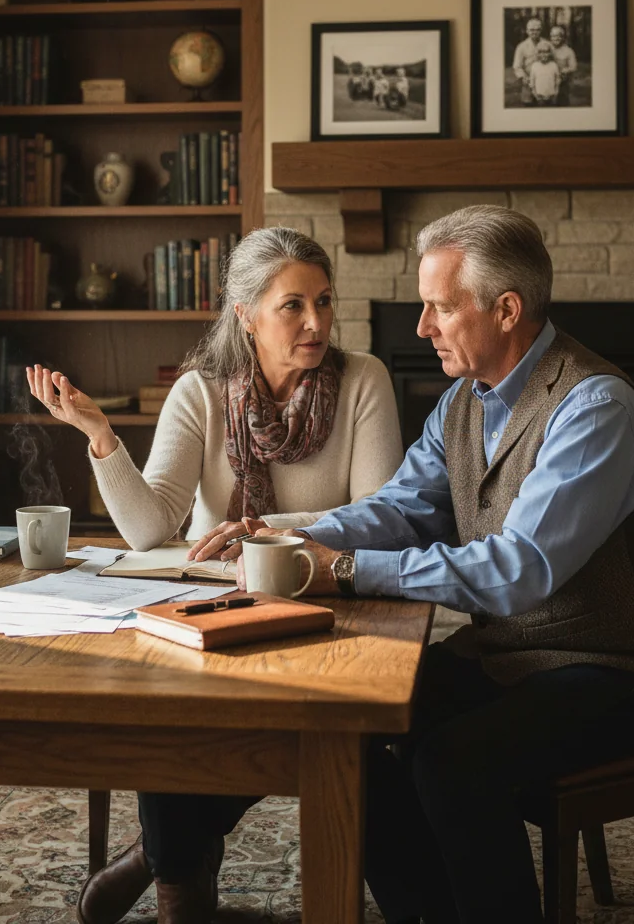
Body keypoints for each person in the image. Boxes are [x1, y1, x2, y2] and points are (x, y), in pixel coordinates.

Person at [251, 205, 634, 924]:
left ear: (506, 309)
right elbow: (399, 508)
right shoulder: (463, 402)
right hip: (509, 656)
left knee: (452, 764)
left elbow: (518, 569)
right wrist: (301, 545)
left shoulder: (595, 408)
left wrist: (351, 571)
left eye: (439, 309)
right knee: (351, 729)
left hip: (614, 671)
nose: (423, 327)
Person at [28, 226, 403, 924]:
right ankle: (183, 894)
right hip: (219, 606)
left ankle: (158, 859)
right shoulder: (200, 390)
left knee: (299, 730)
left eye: (324, 301)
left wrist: (269, 529)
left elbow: (380, 515)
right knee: (167, 706)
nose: (317, 322)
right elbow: (151, 528)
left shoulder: (364, 381)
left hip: (328, 604)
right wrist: (99, 435)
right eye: (293, 306)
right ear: (245, 314)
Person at [512, 17, 544, 105]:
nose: (534, 32)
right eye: (531, 30)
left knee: (544, 105)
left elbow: (553, 61)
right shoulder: (521, 47)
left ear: (541, 30)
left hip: (544, 80)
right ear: (527, 31)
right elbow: (517, 66)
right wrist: (524, 77)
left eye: (537, 30)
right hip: (528, 82)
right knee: (528, 105)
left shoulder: (547, 44)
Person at [549, 24, 577, 106]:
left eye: (559, 36)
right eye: (553, 36)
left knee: (562, 102)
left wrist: (566, 70)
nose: (556, 38)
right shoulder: (547, 48)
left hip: (563, 82)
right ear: (550, 37)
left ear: (563, 37)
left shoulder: (568, 51)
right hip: (548, 80)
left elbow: (573, 66)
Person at [528, 40, 561, 105]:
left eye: (546, 52)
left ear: (550, 53)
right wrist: (536, 96)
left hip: (552, 96)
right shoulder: (535, 66)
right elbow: (532, 82)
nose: (543, 55)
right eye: (541, 52)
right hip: (539, 97)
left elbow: (557, 80)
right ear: (538, 54)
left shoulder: (553, 65)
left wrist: (556, 93)